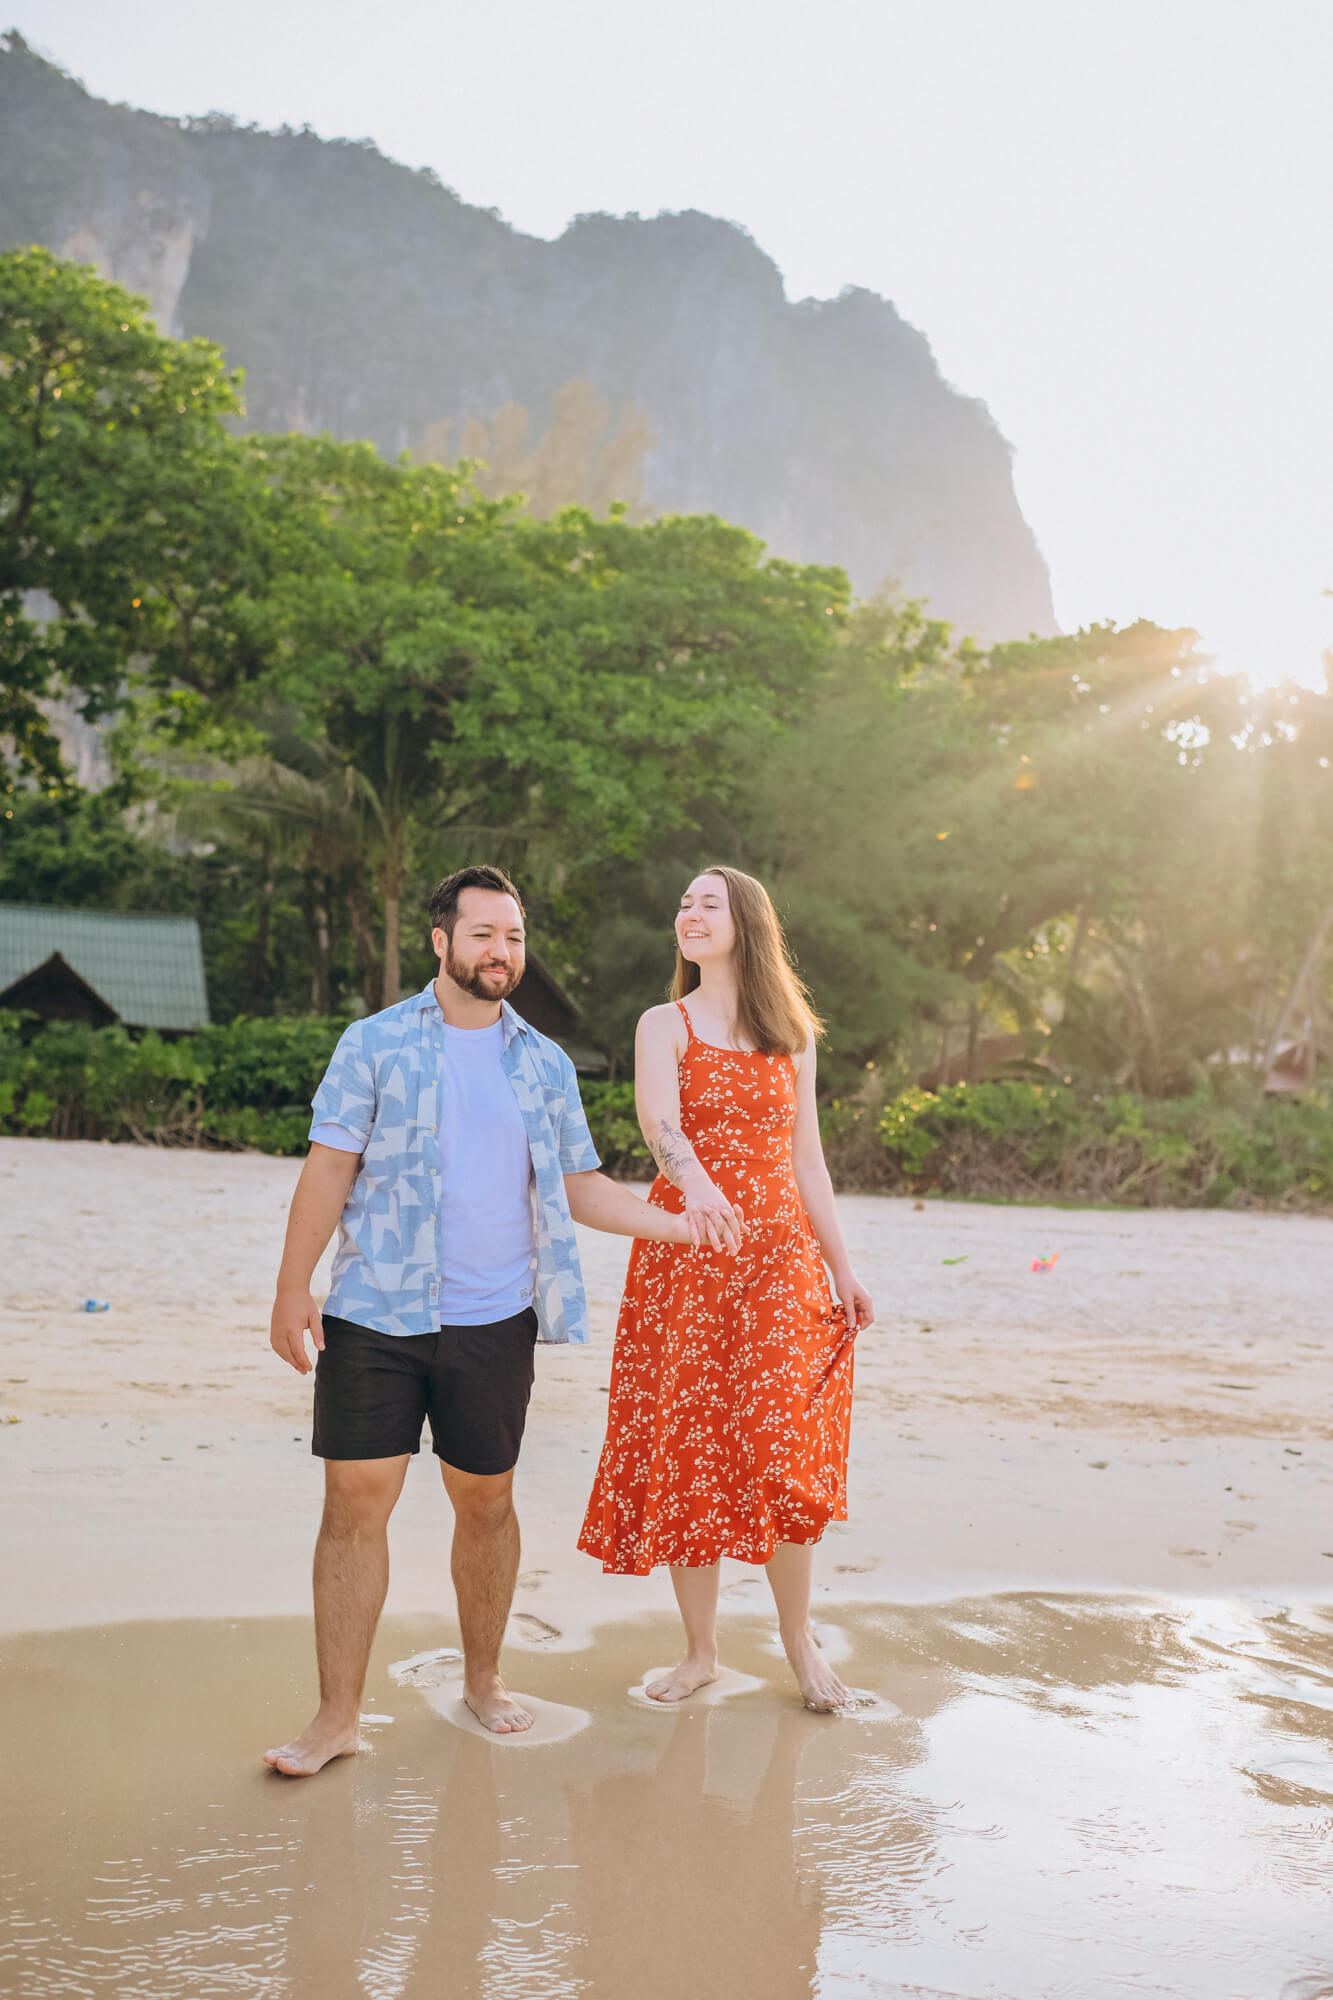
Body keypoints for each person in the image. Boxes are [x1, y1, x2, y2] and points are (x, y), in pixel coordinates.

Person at [264, 864, 708, 1776]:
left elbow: (580, 1185)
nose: (500, 952)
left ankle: (483, 1680)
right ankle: (336, 1717)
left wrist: (674, 1225)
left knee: (487, 1500)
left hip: (493, 1320)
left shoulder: (542, 1062)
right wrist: (291, 1286)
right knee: (353, 1503)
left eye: (511, 937)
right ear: (440, 941)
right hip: (376, 1311)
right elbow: (327, 1169)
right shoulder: (374, 1043)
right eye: (481, 935)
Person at [578, 865, 874, 1711]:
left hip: (780, 1259)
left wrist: (842, 1271)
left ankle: (798, 1642)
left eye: (706, 903)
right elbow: (657, 1120)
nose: (687, 914)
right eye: (682, 904)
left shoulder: (792, 1035)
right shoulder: (662, 1023)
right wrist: (698, 1186)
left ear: (746, 922)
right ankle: (700, 1651)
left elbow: (807, 1162)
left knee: (781, 1448)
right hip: (687, 1254)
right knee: (692, 1444)